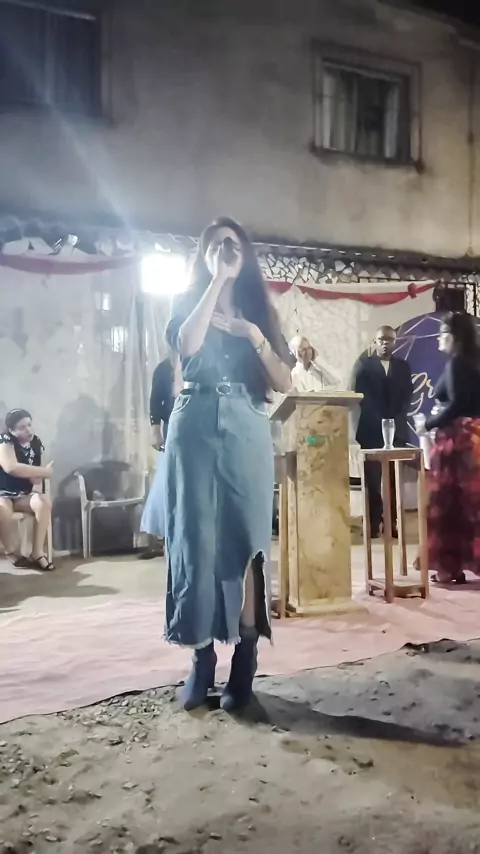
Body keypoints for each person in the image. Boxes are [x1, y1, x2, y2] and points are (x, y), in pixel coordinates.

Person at [165, 216, 292, 712]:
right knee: (194, 540)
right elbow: (187, 346)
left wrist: (252, 333)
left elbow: (284, 381)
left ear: (246, 255)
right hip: (194, 421)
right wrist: (216, 281)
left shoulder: (260, 309)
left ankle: (245, 661)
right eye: (215, 246)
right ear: (204, 255)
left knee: (246, 541)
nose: (224, 251)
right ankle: (201, 659)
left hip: (246, 422)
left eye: (232, 245)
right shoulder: (188, 300)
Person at [415, 312, 480, 584]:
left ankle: (448, 568)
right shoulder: (474, 362)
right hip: (474, 437)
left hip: (456, 441)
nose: (438, 339)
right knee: (471, 506)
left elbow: (455, 404)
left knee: (447, 506)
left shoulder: (456, 364)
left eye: (442, 334)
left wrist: (427, 424)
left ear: (454, 337)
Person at [351, 326, 413, 538]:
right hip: (371, 429)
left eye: (389, 340)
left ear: (395, 342)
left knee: (394, 480)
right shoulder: (365, 365)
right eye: (381, 340)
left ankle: (392, 522)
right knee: (373, 480)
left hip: (398, 429)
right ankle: (373, 522)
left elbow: (407, 396)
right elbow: (363, 396)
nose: (385, 343)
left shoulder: (403, 366)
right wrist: (379, 421)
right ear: (375, 341)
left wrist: (395, 420)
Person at [139, 352, 182, 559]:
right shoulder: (164, 368)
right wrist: (155, 430)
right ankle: (165, 534)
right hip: (173, 427)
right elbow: (156, 401)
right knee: (168, 479)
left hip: (198, 426)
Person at [0, 409, 54, 571]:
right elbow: (11, 467)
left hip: (22, 495)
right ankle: (11, 551)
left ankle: (37, 552)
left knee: (43, 502)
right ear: (12, 431)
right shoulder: (4, 440)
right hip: (2, 493)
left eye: (29, 425)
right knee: (1, 510)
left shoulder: (35, 443)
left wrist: (39, 472)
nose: (28, 430)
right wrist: (44, 471)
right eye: (22, 427)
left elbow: (35, 479)